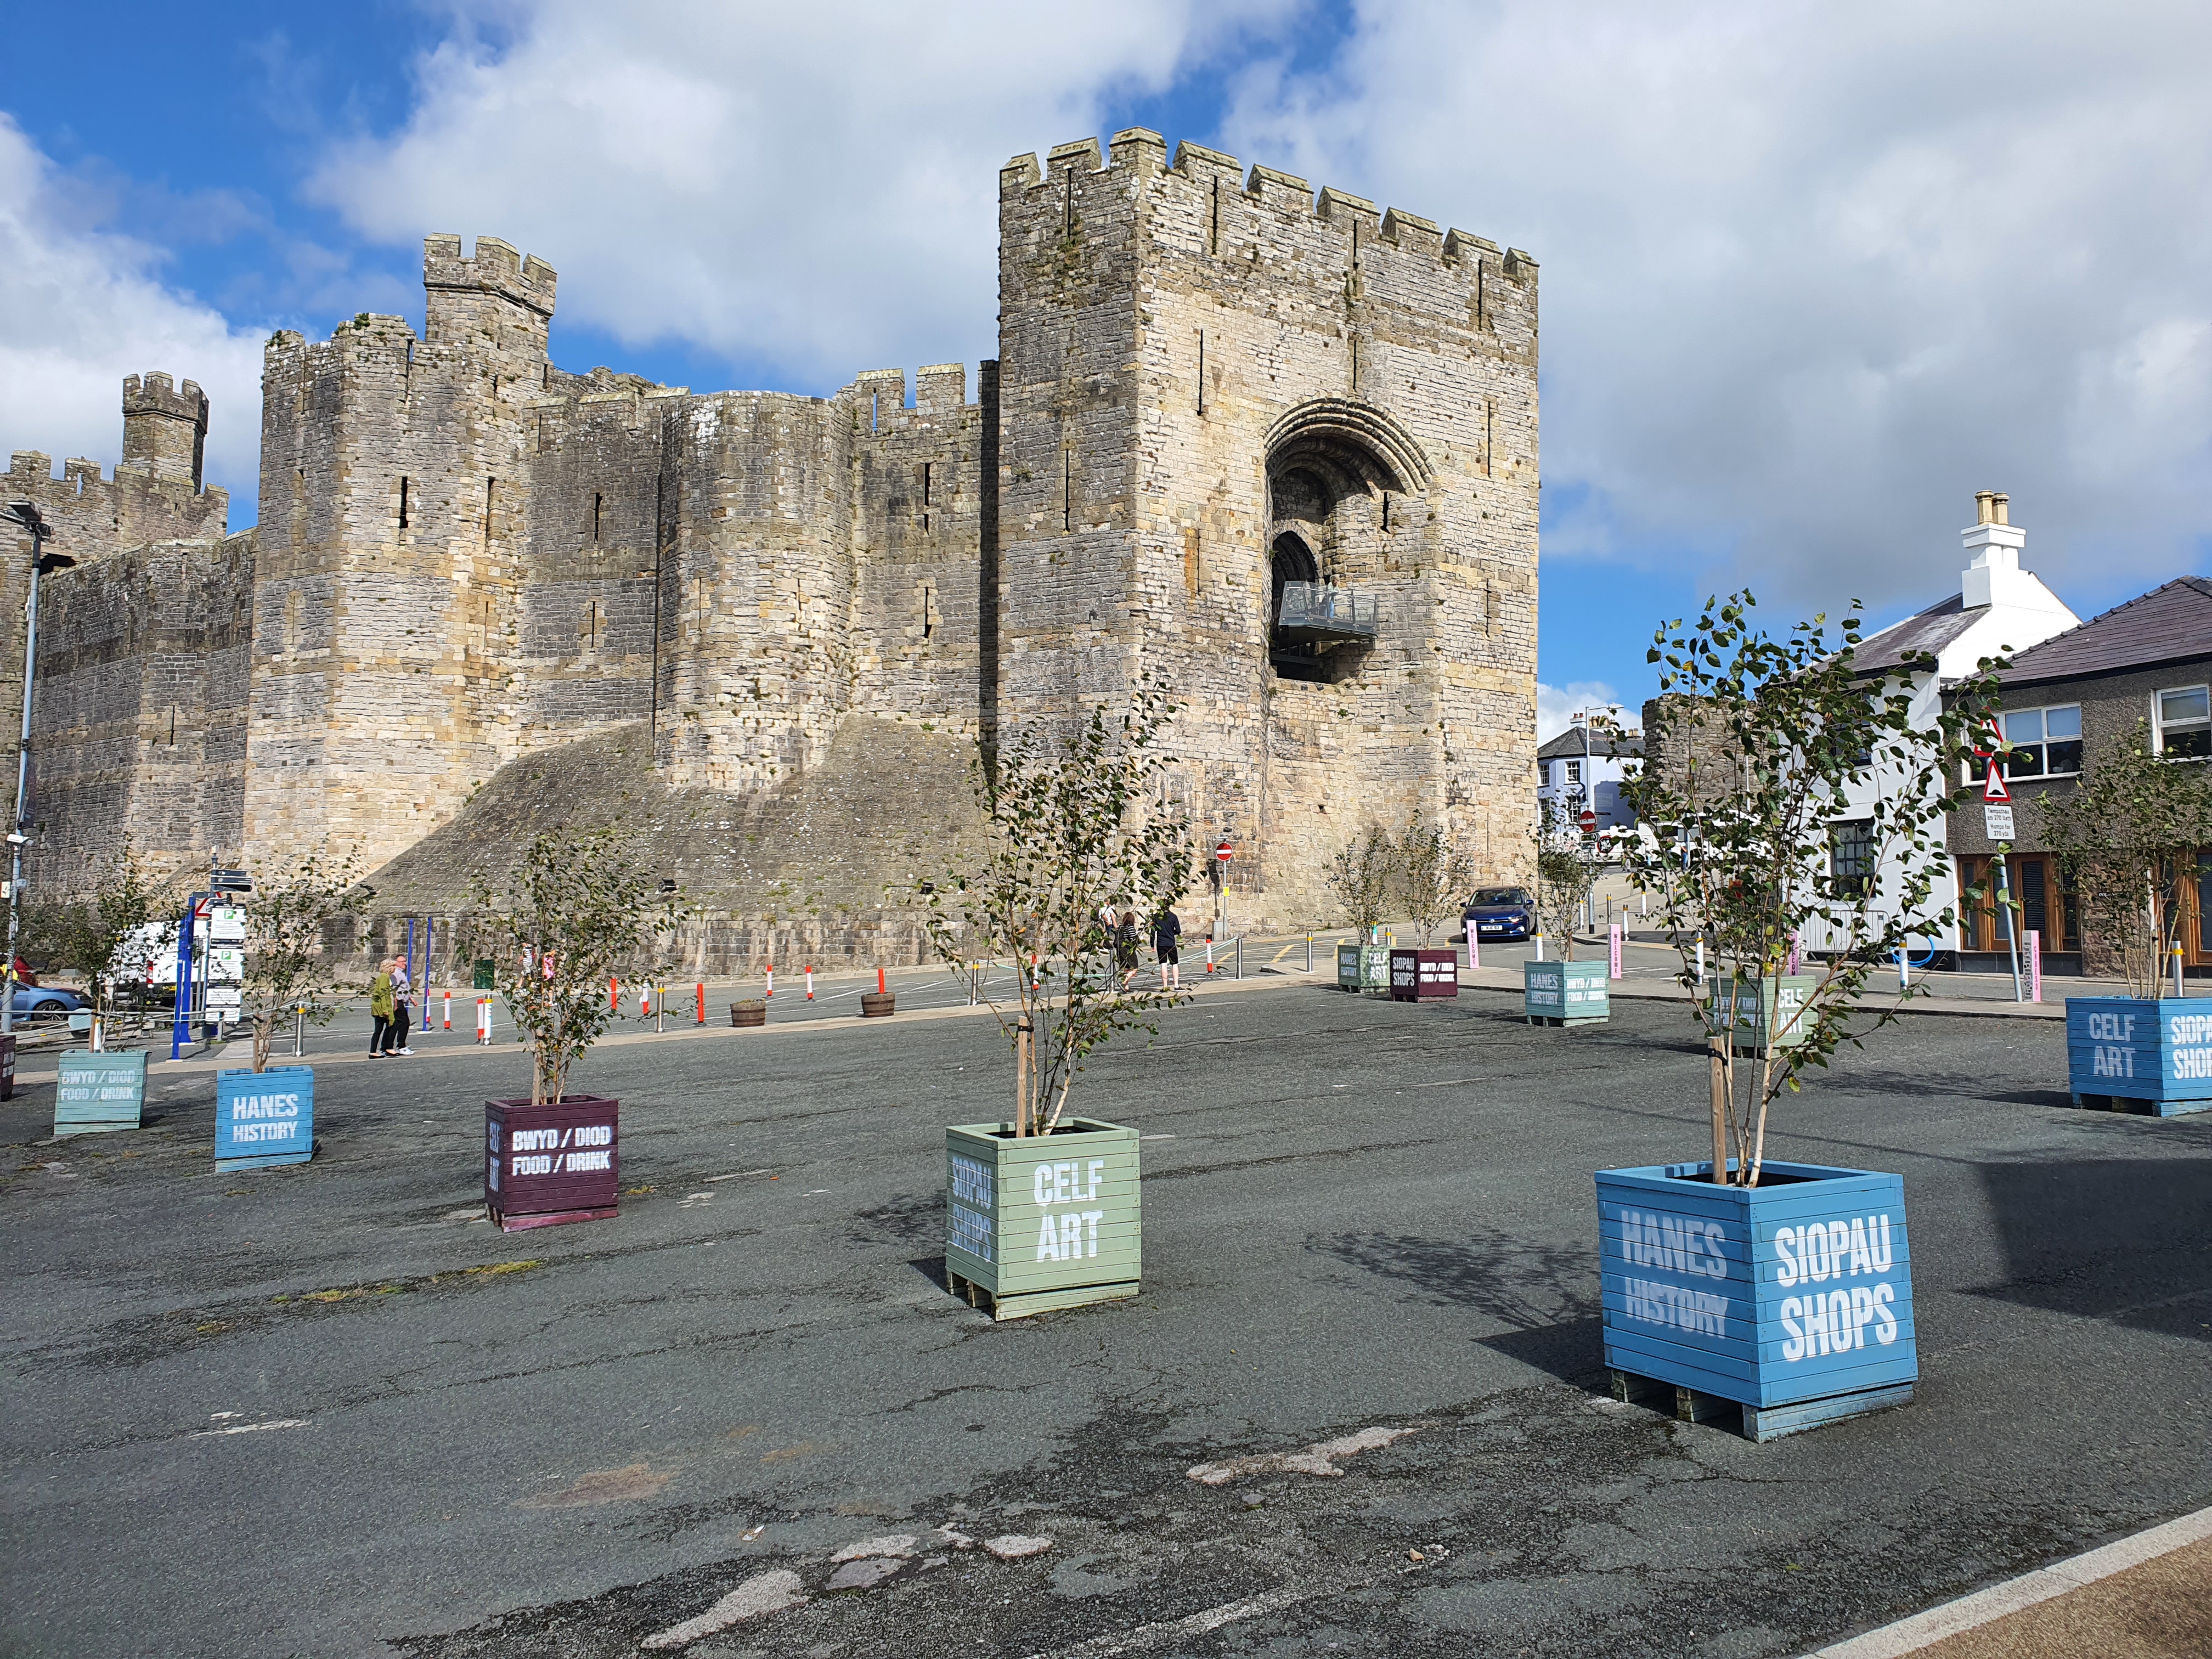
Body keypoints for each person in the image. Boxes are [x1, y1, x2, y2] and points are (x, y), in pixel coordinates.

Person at [369, 958, 397, 1057]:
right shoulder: (384, 977)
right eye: (394, 966)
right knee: (384, 1028)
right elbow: (383, 994)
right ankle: (378, 1050)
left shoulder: (384, 976)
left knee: (385, 1027)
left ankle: (384, 1049)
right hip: (381, 1007)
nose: (395, 968)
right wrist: (385, 1010)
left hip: (381, 1006)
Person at [1152, 906, 1182, 990]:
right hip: (1171, 943)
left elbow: (1153, 931)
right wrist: (1172, 932)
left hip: (1161, 943)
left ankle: (1165, 986)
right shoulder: (1173, 916)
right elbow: (1178, 930)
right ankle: (1176, 985)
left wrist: (1152, 945)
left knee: (1163, 964)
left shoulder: (1156, 917)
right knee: (1174, 963)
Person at [389, 957, 414, 1056]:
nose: (405, 963)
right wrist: (395, 1003)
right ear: (397, 963)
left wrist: (411, 999)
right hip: (397, 1002)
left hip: (400, 1001)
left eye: (405, 961)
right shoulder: (396, 973)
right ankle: (400, 1046)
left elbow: (404, 988)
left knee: (397, 1024)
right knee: (403, 1023)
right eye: (402, 962)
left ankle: (390, 1047)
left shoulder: (401, 972)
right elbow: (394, 989)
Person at [1114, 910, 1141, 990]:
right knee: (1135, 968)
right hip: (1128, 950)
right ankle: (1123, 981)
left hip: (1120, 950)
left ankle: (1126, 988)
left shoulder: (1121, 927)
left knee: (1127, 968)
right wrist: (1139, 940)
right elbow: (1134, 939)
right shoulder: (1130, 927)